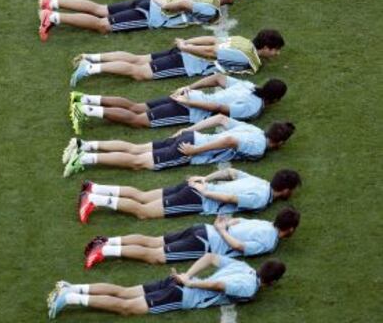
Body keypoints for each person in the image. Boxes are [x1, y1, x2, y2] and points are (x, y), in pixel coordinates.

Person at [47, 253, 285, 319]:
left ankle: (73, 287)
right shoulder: (249, 288)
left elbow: (211, 257)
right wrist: (190, 281)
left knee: (124, 291)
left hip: (178, 281)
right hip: (183, 294)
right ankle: (68, 298)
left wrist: (187, 274)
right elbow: (220, 284)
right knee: (126, 307)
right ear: (272, 282)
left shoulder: (245, 267)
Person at [61, 117, 296, 176]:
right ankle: (83, 159)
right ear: (280, 142)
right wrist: (195, 151)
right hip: (189, 149)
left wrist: (190, 129)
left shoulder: (255, 130)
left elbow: (221, 119)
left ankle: (84, 145)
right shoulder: (259, 147)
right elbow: (228, 141)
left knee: (136, 148)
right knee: (138, 162)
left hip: (192, 136)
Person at [84, 207, 300, 268]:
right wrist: (223, 231)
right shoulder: (270, 242)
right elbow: (239, 247)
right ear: (289, 230)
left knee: (154, 241)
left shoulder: (264, 223)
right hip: (204, 243)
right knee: (155, 256)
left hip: (202, 229)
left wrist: (223, 224)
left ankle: (107, 241)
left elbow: (239, 221)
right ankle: (104, 250)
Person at [37, 0, 239, 42]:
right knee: (102, 25)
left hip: (148, 2)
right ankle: (52, 17)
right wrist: (166, 4)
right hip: (152, 15)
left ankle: (51, 2)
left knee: (101, 9)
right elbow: (186, 5)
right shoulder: (211, 10)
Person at [68, 75, 287, 134]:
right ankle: (84, 109)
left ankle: (84, 98)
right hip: (190, 108)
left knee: (136, 107)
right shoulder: (254, 107)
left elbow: (218, 77)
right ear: (274, 100)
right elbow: (219, 110)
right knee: (138, 121)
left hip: (189, 95)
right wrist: (189, 100)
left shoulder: (248, 85)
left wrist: (188, 87)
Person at [75, 167, 302, 222]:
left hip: (196, 188)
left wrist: (206, 178)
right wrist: (206, 189)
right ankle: (94, 199)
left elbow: (231, 172)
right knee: (144, 212)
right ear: (286, 189)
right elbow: (230, 199)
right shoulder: (262, 198)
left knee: (143, 196)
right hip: (198, 199)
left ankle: (95, 187)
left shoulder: (260, 182)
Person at [69, 30, 285, 86]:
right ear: (265, 47)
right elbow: (211, 52)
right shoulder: (250, 61)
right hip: (189, 62)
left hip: (187, 51)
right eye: (275, 50)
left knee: (138, 59)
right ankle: (89, 69)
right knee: (140, 73)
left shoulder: (242, 40)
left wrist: (187, 43)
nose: (276, 55)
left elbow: (211, 40)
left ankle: (91, 56)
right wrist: (188, 49)